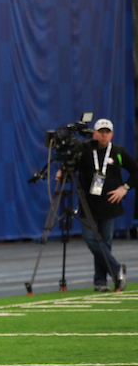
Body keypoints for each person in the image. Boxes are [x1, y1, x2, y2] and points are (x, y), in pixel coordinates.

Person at [57, 118, 135, 291]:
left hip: (110, 204)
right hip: (88, 204)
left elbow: (135, 171)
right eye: (101, 131)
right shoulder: (84, 150)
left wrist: (125, 188)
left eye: (107, 132)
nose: (104, 135)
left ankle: (100, 282)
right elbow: (71, 170)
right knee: (92, 240)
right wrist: (62, 172)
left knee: (104, 243)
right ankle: (116, 269)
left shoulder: (118, 152)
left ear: (112, 134)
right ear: (94, 133)